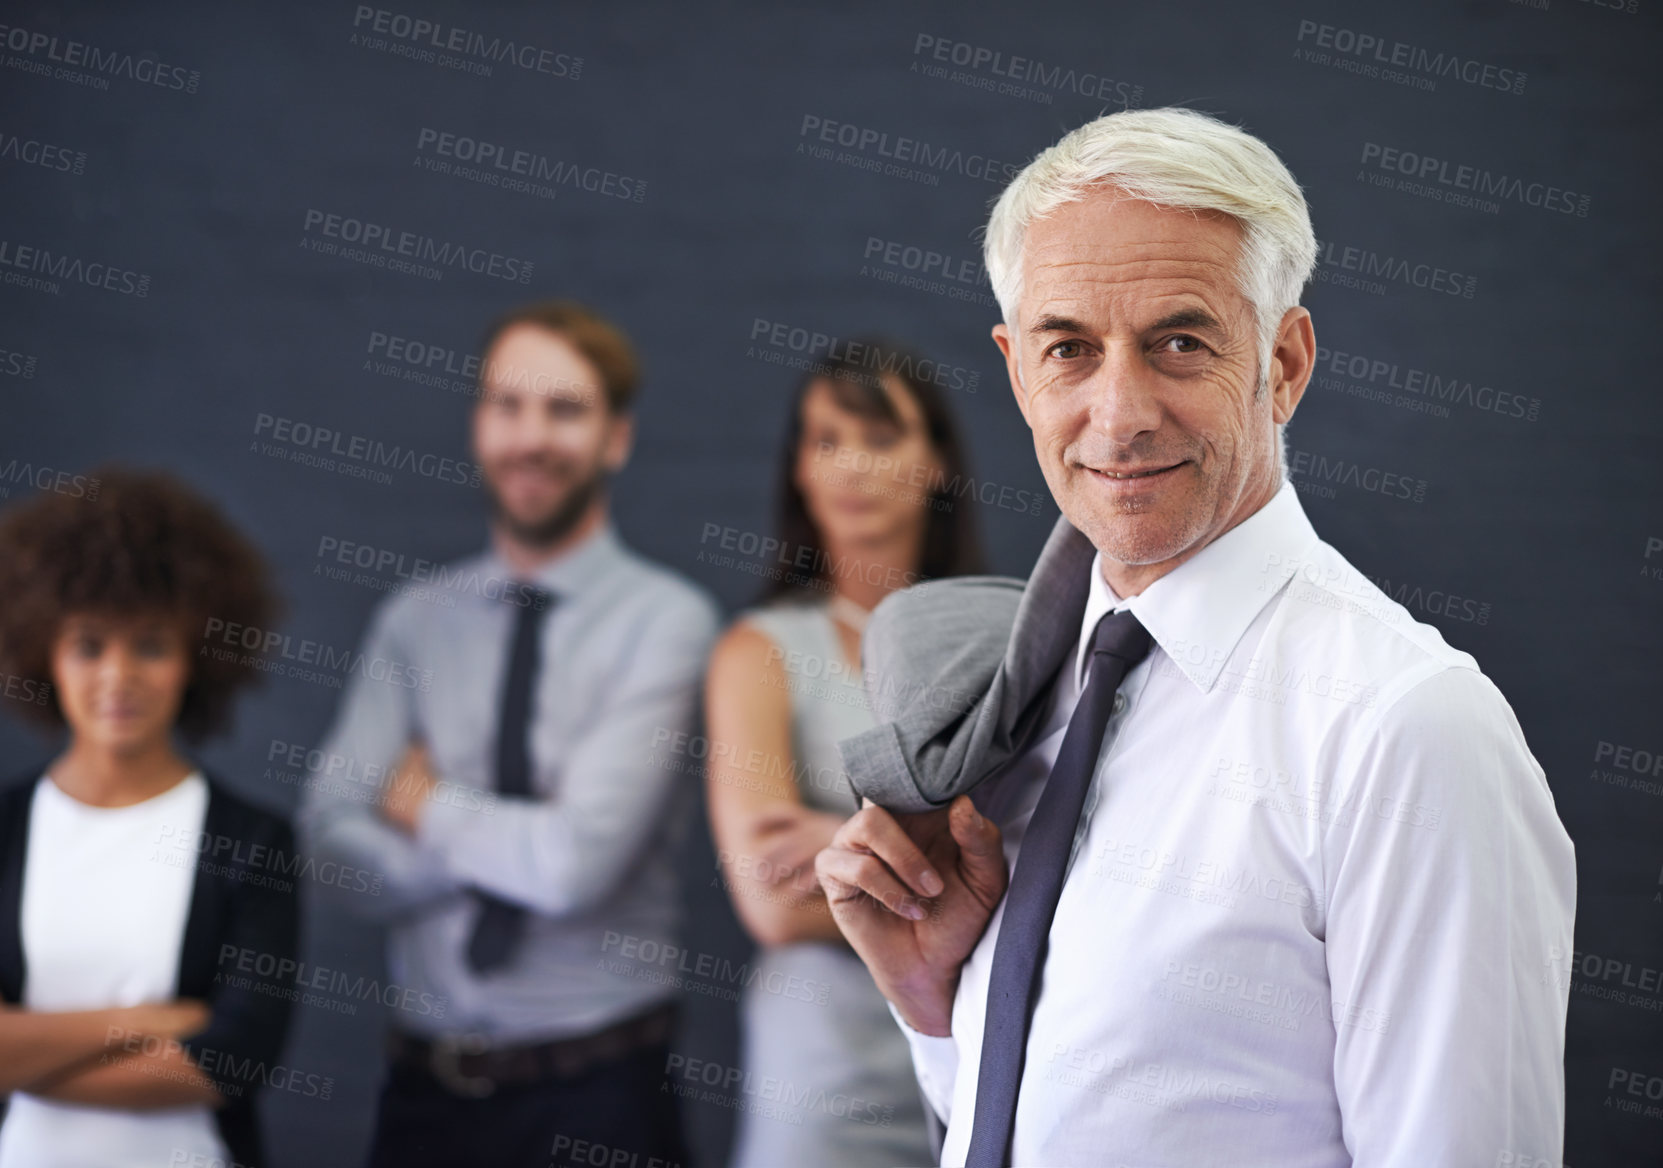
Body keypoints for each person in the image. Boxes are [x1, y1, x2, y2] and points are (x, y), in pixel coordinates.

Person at [816, 106, 1576, 1167]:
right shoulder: (1028, 698)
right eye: (1068, 348)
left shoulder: (1409, 733)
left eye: (1180, 342)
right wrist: (932, 1003)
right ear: (1015, 370)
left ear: (1285, 362)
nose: (1119, 413)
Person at [296, 299, 721, 1168]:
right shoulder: (413, 621)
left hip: (602, 1099)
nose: (532, 437)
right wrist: (491, 843)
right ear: (478, 425)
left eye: (565, 410)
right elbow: (328, 846)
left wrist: (422, 804)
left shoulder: (667, 622)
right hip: (422, 1103)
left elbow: (570, 869)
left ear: (615, 439)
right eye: (507, 406)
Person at [0, 467, 299, 1168]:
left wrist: (10, 1044)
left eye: (150, 643)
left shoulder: (253, 842)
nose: (118, 675)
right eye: (89, 644)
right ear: (41, 652)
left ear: (194, 659)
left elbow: (228, 1064)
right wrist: (151, 1023)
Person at [704, 346, 981, 1167]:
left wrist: (834, 846)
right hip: (822, 1076)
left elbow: (1053, 880)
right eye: (826, 440)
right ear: (798, 468)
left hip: (979, 1061)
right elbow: (770, 904)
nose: (852, 466)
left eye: (879, 437)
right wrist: (965, 885)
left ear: (934, 462)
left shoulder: (998, 646)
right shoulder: (756, 652)